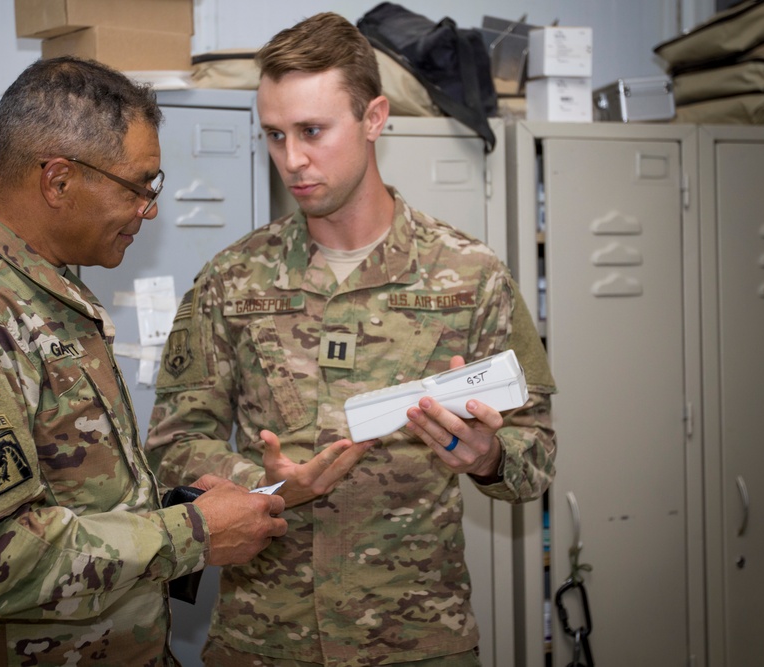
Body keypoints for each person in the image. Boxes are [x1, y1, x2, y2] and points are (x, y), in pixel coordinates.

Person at [145, 12, 557, 667]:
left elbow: (536, 454)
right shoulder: (231, 279)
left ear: (374, 118)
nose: (292, 159)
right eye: (274, 135)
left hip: (415, 640)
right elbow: (171, 445)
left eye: (312, 131)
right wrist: (265, 483)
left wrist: (488, 454)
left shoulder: (470, 275)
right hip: (264, 641)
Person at [0, 56, 287, 666]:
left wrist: (180, 507)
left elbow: (69, 496)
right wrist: (193, 535)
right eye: (140, 186)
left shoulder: (44, 298)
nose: (151, 209)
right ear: (58, 180)